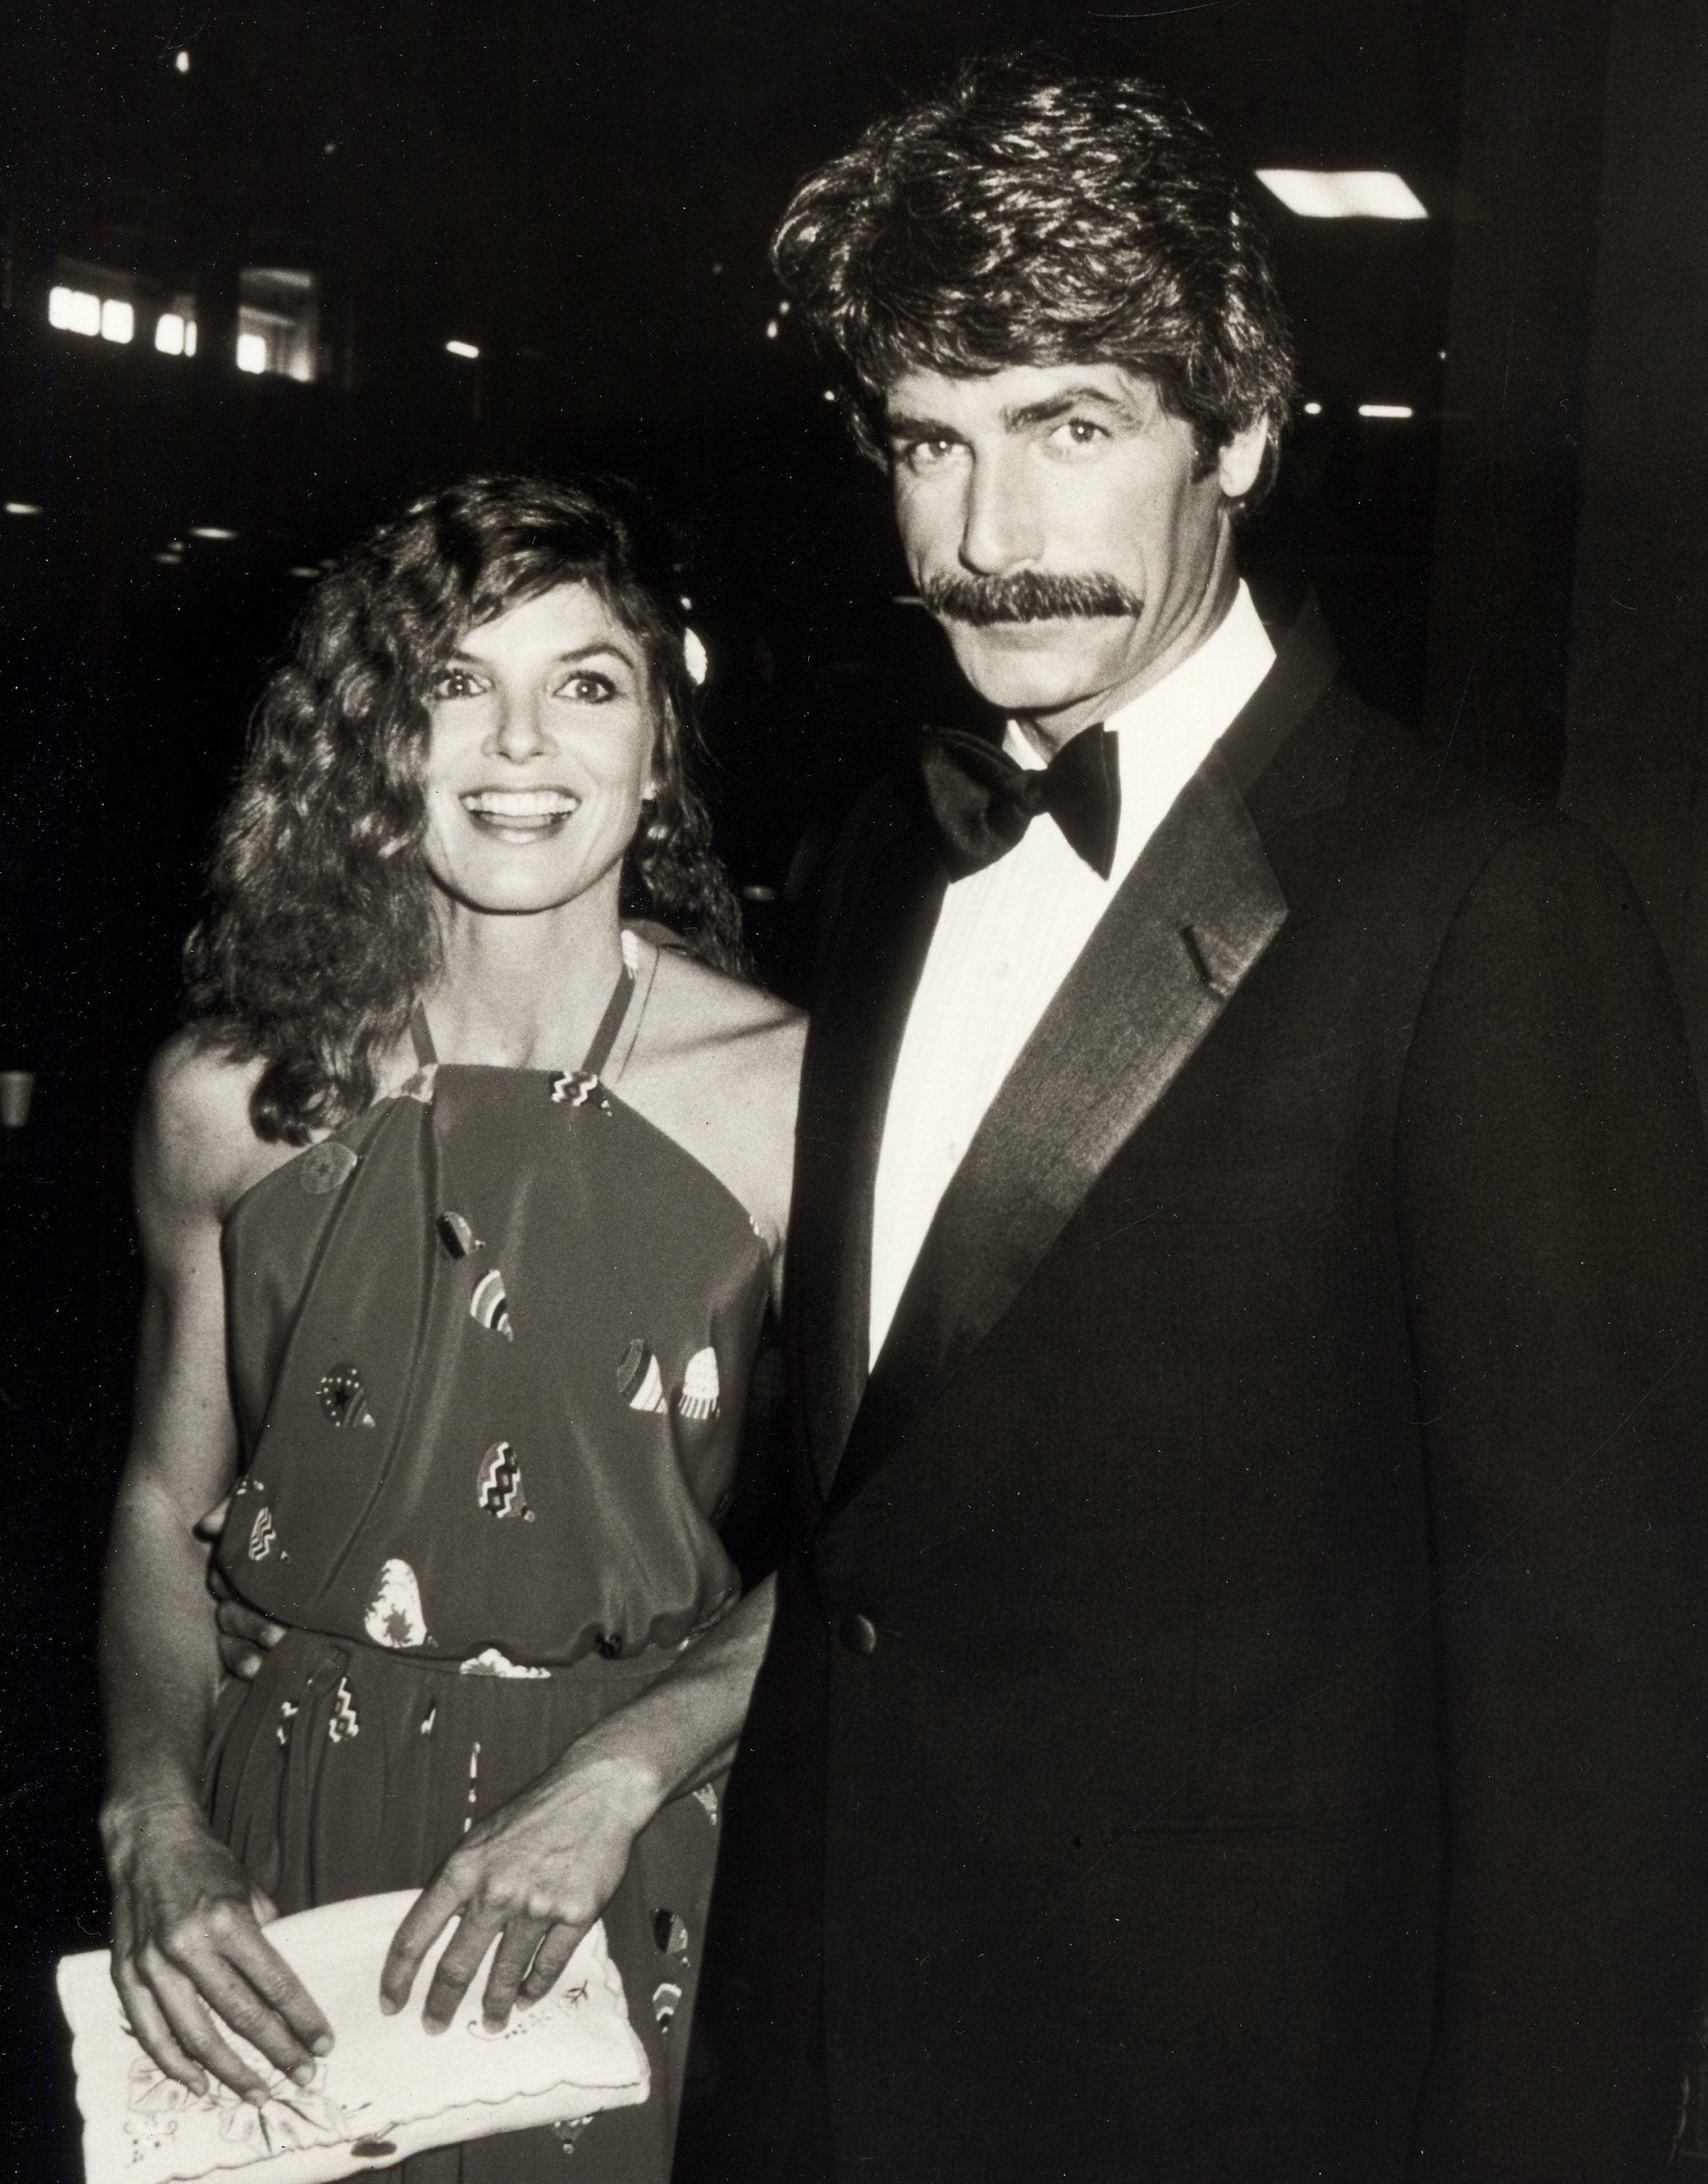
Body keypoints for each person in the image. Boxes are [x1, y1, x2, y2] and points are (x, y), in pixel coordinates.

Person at [666, 58, 1708, 2183]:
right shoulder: (890, 854)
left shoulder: (1485, 914)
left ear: (1235, 431)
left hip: (1220, 2099)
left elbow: (1595, 1721)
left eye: (1069, 426)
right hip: (822, 2054)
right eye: (930, 445)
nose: (985, 539)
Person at [96, 471, 804, 2183]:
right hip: (268, 1850)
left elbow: (887, 1547)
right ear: (376, 746)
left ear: (659, 740)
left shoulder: (797, 1100)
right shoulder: (224, 1099)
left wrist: (623, 1774)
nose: (518, 747)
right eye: (452, 687)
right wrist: (155, 1821)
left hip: (614, 1838)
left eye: (584, 683)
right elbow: (153, 1506)